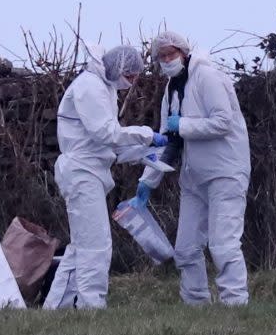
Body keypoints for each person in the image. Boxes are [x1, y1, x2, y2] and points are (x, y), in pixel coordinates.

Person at [131, 31, 251, 306]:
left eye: (170, 54)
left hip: (225, 172)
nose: (166, 60)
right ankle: (196, 305)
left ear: (183, 52)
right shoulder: (171, 88)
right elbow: (167, 139)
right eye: (161, 57)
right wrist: (148, 180)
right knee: (185, 249)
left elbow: (223, 122)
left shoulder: (207, 77)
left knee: (223, 245)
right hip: (193, 177)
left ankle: (235, 305)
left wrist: (183, 125)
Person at [43, 45, 168, 310]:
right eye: (130, 75)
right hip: (81, 173)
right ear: (118, 67)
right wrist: (147, 135)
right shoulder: (90, 87)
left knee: (81, 247)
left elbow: (103, 147)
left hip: (87, 171)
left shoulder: (104, 88)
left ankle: (57, 308)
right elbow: (106, 134)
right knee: (96, 246)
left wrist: (143, 153)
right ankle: (92, 307)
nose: (132, 82)